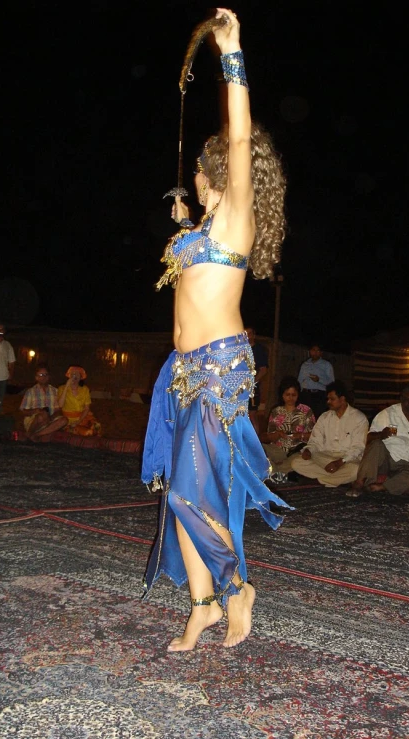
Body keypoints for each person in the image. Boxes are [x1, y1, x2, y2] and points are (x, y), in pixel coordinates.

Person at [141, 9, 291, 652]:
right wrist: (184, 222)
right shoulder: (200, 231)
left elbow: (237, 138)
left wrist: (230, 55)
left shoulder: (234, 222)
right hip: (179, 370)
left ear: (213, 178)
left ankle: (236, 590)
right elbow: (188, 273)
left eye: (205, 177)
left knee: (190, 491)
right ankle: (202, 605)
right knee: (179, 491)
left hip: (218, 366)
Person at [347, 383, 409, 498]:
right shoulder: (387, 414)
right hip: (386, 459)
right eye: (407, 400)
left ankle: (382, 487)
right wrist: (381, 434)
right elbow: (368, 438)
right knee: (376, 444)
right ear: (401, 399)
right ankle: (359, 482)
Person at [290, 380, 368, 487]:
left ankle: (318, 482)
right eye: (328, 399)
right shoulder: (324, 417)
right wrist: (308, 450)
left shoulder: (359, 418)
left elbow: (358, 448)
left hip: (346, 460)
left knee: (356, 470)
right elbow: (315, 441)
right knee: (296, 463)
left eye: (332, 399)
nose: (328, 402)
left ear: (342, 399)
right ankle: (334, 480)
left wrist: (340, 462)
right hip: (325, 458)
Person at [259, 376, 315, 478]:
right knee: (258, 449)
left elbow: (314, 436)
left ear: (298, 395)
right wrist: (277, 435)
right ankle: (280, 472)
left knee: (299, 461)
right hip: (277, 449)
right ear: (282, 395)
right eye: (287, 395)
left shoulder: (306, 411)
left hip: (297, 450)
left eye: (294, 395)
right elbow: (268, 436)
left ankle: (276, 471)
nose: (290, 398)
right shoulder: (276, 411)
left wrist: (300, 435)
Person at [20, 364, 68, 440]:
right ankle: (33, 432)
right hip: (35, 420)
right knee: (42, 416)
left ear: (49, 377)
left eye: (46, 374)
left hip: (51, 418)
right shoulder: (31, 392)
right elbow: (23, 411)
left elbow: (58, 410)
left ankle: (35, 435)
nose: (44, 377)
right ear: (36, 377)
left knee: (64, 420)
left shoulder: (55, 391)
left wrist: (51, 417)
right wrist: (37, 411)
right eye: (41, 374)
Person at [57, 366, 101, 436]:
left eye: (77, 375)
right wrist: (66, 387)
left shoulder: (85, 389)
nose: (74, 377)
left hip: (82, 417)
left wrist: (79, 421)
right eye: (72, 374)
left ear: (80, 378)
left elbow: (87, 408)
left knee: (97, 426)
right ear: (69, 376)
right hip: (68, 420)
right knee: (85, 432)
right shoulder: (62, 388)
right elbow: (60, 405)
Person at [297, 344, 335, 418]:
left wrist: (319, 380)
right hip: (305, 395)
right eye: (313, 350)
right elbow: (299, 380)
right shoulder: (305, 365)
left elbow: (332, 382)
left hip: (319, 396)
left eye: (318, 350)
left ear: (321, 353)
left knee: (318, 418)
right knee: (304, 418)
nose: (315, 352)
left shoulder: (326, 365)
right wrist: (298, 394)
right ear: (310, 351)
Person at [245, 326, 268, 433]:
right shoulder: (240, 350)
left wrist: (252, 382)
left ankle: (256, 442)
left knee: (252, 414)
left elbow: (263, 370)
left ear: (254, 335)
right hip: (238, 387)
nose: (247, 336)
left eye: (249, 333)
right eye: (245, 333)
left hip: (252, 388)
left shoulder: (259, 350)